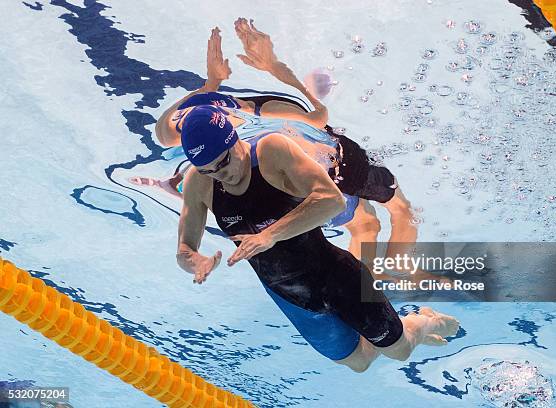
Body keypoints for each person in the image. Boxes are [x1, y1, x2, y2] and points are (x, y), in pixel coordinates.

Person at [176, 102, 459, 372]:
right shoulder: (198, 182)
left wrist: (269, 236)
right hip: (290, 297)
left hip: (335, 277)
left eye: (223, 163)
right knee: (359, 363)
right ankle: (402, 333)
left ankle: (423, 322)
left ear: (233, 138)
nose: (220, 175)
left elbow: (331, 200)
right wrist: (195, 262)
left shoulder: (272, 151)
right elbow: (185, 248)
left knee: (400, 352)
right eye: (208, 171)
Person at [154, 19, 428, 280]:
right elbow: (318, 115)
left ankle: (387, 277)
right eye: (208, 169)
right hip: (319, 178)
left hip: (333, 164)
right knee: (374, 219)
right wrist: (230, 77)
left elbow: (317, 118)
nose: (218, 174)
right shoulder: (209, 123)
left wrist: (259, 69)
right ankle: (381, 283)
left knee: (374, 219)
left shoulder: (252, 113)